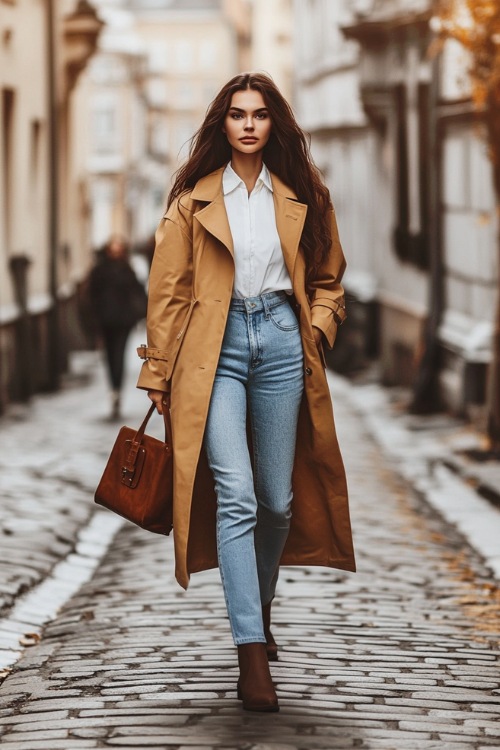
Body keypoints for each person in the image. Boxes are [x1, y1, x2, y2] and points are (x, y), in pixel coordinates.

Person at [137, 72, 355, 712]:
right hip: (216, 349)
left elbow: (329, 278)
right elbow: (168, 292)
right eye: (237, 114)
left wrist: (314, 330)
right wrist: (158, 373)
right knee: (236, 494)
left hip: (284, 340)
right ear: (222, 125)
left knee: (278, 501)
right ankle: (251, 654)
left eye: (260, 114)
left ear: (273, 124)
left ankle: (257, 606)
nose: (249, 124)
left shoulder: (305, 196)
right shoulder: (192, 203)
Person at [88, 235, 147, 419]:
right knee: (109, 356)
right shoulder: (99, 270)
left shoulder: (126, 269)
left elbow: (138, 293)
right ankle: (113, 388)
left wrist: (138, 313)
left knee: (119, 355)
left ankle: (116, 390)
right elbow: (91, 297)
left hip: (123, 322)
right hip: (106, 322)